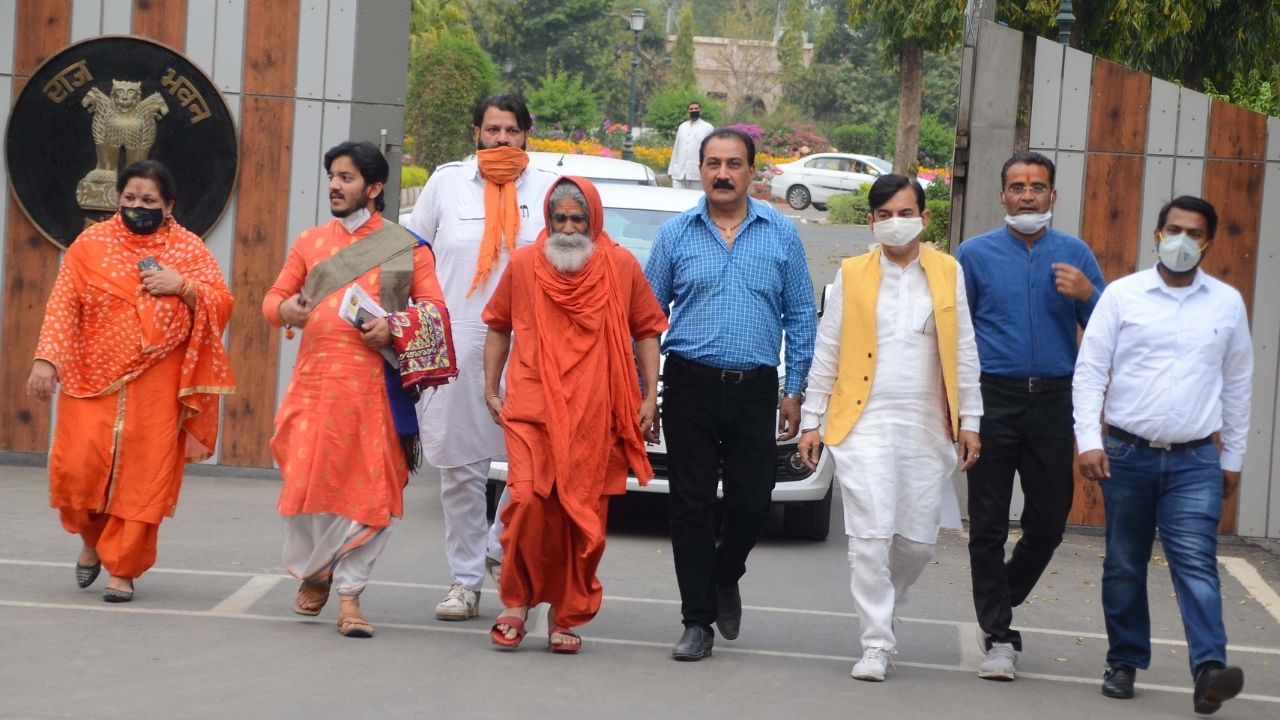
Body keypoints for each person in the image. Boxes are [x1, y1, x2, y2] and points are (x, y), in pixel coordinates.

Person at [798, 174, 982, 681]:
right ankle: (876, 642)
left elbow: (964, 348)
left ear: (924, 218)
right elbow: (828, 350)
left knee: (917, 543)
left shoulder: (948, 272)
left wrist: (972, 419)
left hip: (929, 422)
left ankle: (886, 605)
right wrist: (811, 420)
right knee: (870, 536)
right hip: (864, 421)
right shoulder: (851, 275)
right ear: (871, 222)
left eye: (905, 213)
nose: (895, 223)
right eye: (884, 215)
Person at [27, 159, 235, 603]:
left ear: (169, 204)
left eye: (149, 201)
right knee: (77, 466)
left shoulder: (188, 249)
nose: (138, 206)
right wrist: (47, 360)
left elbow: (222, 302)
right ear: (117, 200)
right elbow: (63, 304)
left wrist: (182, 286)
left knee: (144, 473)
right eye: (130, 199)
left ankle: (123, 568)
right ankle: (90, 539)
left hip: (159, 379)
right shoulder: (90, 244)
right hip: (89, 374)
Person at [1074, 196, 1251, 715]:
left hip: (1196, 460)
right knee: (1125, 563)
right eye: (1173, 229)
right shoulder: (1123, 296)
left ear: (1209, 242)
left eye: (1194, 233)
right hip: (1126, 454)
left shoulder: (1226, 303)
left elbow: (1238, 384)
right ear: (1156, 234)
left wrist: (1233, 457)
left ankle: (1209, 672)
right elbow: (1090, 371)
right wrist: (1088, 439)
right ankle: (1124, 661)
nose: (1182, 240)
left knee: (1196, 563)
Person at [646, 128, 816, 661]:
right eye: (713, 163)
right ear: (699, 169)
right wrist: (646, 393)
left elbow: (801, 317)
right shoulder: (675, 235)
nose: (723, 173)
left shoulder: (781, 234)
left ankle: (725, 576)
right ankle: (696, 621)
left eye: (734, 164)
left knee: (751, 503)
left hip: (755, 390)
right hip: (690, 385)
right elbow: (647, 319)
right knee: (689, 507)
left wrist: (795, 391)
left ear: (751, 172)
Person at [264, 140, 446, 638]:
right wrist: (287, 311)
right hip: (314, 386)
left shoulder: (404, 247)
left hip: (376, 391)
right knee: (307, 483)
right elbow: (274, 298)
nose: (334, 185)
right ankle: (317, 571)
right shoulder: (310, 242)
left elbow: (434, 312)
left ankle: (350, 597)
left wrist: (395, 329)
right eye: (332, 176)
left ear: (374, 187)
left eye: (345, 177)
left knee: (368, 491)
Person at [482, 176, 667, 653]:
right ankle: (517, 603)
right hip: (532, 408)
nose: (567, 228)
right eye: (559, 218)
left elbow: (647, 329)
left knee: (580, 515)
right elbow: (499, 325)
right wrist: (490, 384)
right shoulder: (524, 265)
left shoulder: (621, 265)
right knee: (525, 502)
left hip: (594, 412)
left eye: (577, 219)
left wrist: (648, 396)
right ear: (547, 219)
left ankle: (567, 614)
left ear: (594, 220)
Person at [407, 93, 560, 621]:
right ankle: (465, 581)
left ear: (527, 133)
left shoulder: (548, 191)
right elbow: (412, 255)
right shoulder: (446, 183)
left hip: (534, 350)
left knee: (536, 465)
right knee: (460, 470)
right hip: (458, 346)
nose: (501, 140)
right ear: (475, 132)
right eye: (492, 130)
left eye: (511, 130)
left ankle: (497, 547)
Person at [954, 150, 1105, 680]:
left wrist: (1088, 296)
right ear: (1002, 195)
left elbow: (1108, 326)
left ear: (1052, 196)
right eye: (1016, 186)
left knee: (1049, 520)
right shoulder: (972, 256)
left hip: (1053, 401)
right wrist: (960, 409)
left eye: (1037, 187)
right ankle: (998, 634)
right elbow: (956, 337)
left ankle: (1001, 598)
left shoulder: (1076, 254)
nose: (1026, 194)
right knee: (989, 524)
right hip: (993, 398)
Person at [667, 101, 714, 191]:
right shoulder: (682, 127)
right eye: (691, 109)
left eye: (696, 109)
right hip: (679, 172)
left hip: (697, 173)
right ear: (688, 112)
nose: (693, 110)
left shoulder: (707, 127)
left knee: (694, 199)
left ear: (701, 111)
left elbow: (711, 150)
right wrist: (671, 169)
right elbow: (676, 148)